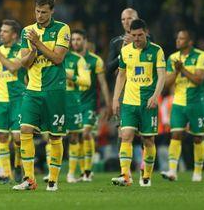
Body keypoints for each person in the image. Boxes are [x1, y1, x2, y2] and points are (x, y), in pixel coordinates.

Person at [12, 0, 70, 192]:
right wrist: (33, 50)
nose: (39, 16)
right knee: (24, 131)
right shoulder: (27, 31)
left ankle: (53, 180)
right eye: (37, 11)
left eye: (44, 12)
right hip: (33, 89)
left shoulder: (63, 29)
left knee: (54, 136)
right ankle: (29, 179)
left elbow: (58, 59)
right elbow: (24, 63)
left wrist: (37, 43)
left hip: (55, 90)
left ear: (52, 11)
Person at [111, 19, 165, 187]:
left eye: (140, 35)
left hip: (148, 103)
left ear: (146, 33)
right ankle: (125, 176)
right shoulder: (125, 51)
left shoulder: (157, 51)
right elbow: (121, 76)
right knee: (126, 136)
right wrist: (115, 99)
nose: (137, 38)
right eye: (133, 35)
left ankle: (146, 176)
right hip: (129, 101)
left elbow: (162, 76)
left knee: (148, 140)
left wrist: (155, 96)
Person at [161, 30, 204, 182]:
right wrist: (176, 71)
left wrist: (182, 69)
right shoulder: (172, 58)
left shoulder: (201, 56)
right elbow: (167, 84)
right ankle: (172, 171)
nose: (178, 40)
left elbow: (199, 79)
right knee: (175, 135)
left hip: (196, 103)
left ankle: (197, 172)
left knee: (198, 137)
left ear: (190, 42)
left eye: (182, 38)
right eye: (177, 38)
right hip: (179, 102)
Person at [0, 19, 26, 184]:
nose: (1, 33)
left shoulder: (21, 50)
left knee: (17, 138)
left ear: (14, 35)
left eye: (5, 31)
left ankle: (17, 165)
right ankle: (5, 172)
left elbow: (13, 68)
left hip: (17, 99)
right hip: (0, 99)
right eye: (1, 30)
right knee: (1, 136)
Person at [71, 30, 111, 182]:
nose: (75, 42)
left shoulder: (96, 61)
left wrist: (108, 104)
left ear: (85, 41)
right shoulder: (68, 59)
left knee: (86, 134)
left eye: (78, 39)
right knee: (77, 137)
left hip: (90, 103)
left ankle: (88, 171)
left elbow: (102, 83)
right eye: (73, 39)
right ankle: (83, 172)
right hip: (73, 104)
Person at [62, 36, 91, 183]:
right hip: (55, 99)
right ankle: (51, 173)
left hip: (72, 101)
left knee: (74, 136)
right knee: (51, 136)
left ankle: (71, 174)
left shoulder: (78, 60)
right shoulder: (49, 58)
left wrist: (71, 77)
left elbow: (87, 81)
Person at [106, 8, 139, 78]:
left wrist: (134, 45)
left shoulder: (147, 39)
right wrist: (122, 54)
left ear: (137, 20)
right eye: (123, 19)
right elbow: (109, 68)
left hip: (142, 83)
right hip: (123, 85)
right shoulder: (115, 41)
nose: (126, 22)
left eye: (129, 18)